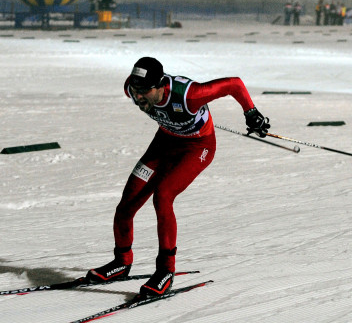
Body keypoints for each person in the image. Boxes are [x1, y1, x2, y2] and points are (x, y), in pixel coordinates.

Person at [86, 56, 271, 297]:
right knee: (127, 201)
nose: (137, 97)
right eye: (134, 90)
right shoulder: (131, 89)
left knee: (162, 196)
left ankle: (165, 271)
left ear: (161, 85)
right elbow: (144, 96)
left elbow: (234, 84)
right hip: (165, 142)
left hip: (197, 147)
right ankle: (121, 263)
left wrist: (251, 113)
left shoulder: (190, 95)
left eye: (143, 91)